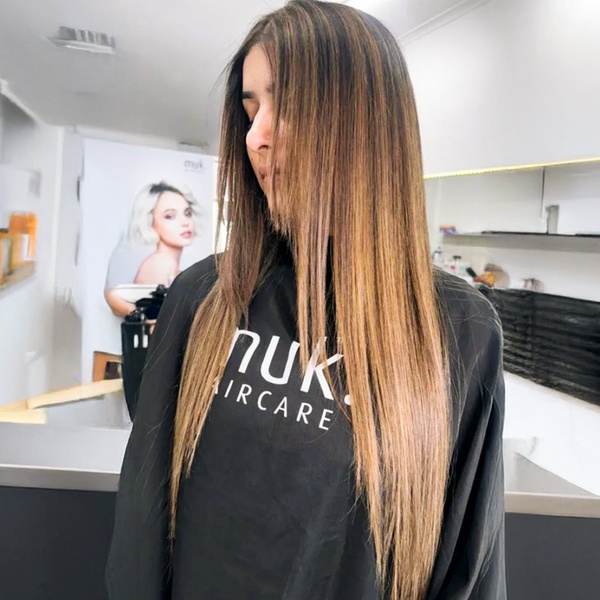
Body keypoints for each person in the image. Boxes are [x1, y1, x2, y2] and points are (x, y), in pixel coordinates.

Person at [106, 1, 506, 599]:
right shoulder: (205, 297)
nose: (255, 137)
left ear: (366, 125)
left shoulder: (458, 329)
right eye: (251, 109)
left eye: (286, 106)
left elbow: (467, 571)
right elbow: (140, 535)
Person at [104, 181, 200, 317]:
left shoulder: (167, 263)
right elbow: (157, 321)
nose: (185, 222)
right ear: (150, 221)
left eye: (187, 213)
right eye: (170, 216)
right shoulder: (162, 263)